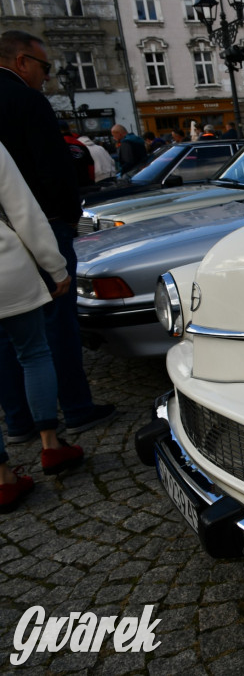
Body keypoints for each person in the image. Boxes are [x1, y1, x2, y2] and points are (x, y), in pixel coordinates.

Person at [0, 30, 115, 444]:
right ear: (22, 62)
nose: (47, 76)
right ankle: (75, 408)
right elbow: (52, 170)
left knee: (6, 339)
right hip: (38, 224)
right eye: (44, 67)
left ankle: (20, 421)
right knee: (53, 328)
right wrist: (68, 217)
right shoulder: (27, 102)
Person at [0, 141, 84, 511]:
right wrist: (55, 265)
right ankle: (51, 446)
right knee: (34, 352)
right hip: (4, 267)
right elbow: (23, 209)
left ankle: (3, 479)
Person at [57, 121, 94, 186]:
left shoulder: (56, 145)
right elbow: (90, 165)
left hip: (69, 186)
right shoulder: (81, 145)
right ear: (69, 129)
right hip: (86, 183)